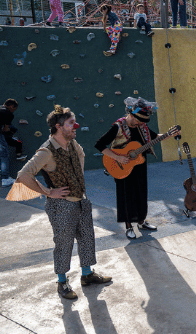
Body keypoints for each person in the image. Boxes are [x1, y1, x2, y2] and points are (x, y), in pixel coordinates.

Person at [14, 106, 112, 299]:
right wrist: (48, 192)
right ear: (58, 127)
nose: (75, 126)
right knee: (64, 244)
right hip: (61, 206)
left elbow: (79, 163)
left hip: (81, 201)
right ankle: (62, 282)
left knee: (86, 238)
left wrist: (78, 187)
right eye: (70, 123)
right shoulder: (46, 151)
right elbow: (23, 175)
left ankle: (87, 274)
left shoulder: (73, 144)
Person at [96, 97, 179, 239]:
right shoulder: (118, 126)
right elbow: (100, 145)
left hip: (139, 165)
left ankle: (141, 221)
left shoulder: (142, 127)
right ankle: (128, 226)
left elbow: (155, 137)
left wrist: (169, 135)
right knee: (126, 196)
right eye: (137, 119)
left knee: (141, 194)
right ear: (130, 113)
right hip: (121, 165)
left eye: (142, 121)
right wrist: (118, 158)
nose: (139, 122)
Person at [1, 99, 24, 187]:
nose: (14, 111)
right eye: (15, 109)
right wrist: (9, 131)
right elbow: (5, 129)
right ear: (11, 106)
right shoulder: (8, 113)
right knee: (4, 155)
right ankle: (5, 178)